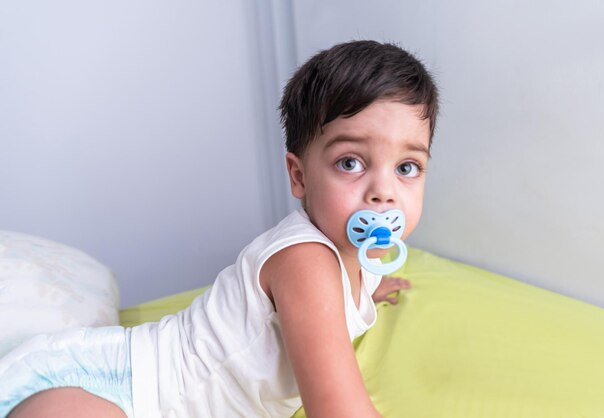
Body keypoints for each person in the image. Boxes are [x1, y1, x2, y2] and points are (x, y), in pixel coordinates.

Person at [0, 39, 439, 418]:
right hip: (120, 390)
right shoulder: (306, 262)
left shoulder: (363, 256)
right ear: (300, 176)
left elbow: (327, 306)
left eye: (407, 167)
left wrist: (367, 291)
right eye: (350, 162)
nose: (383, 192)